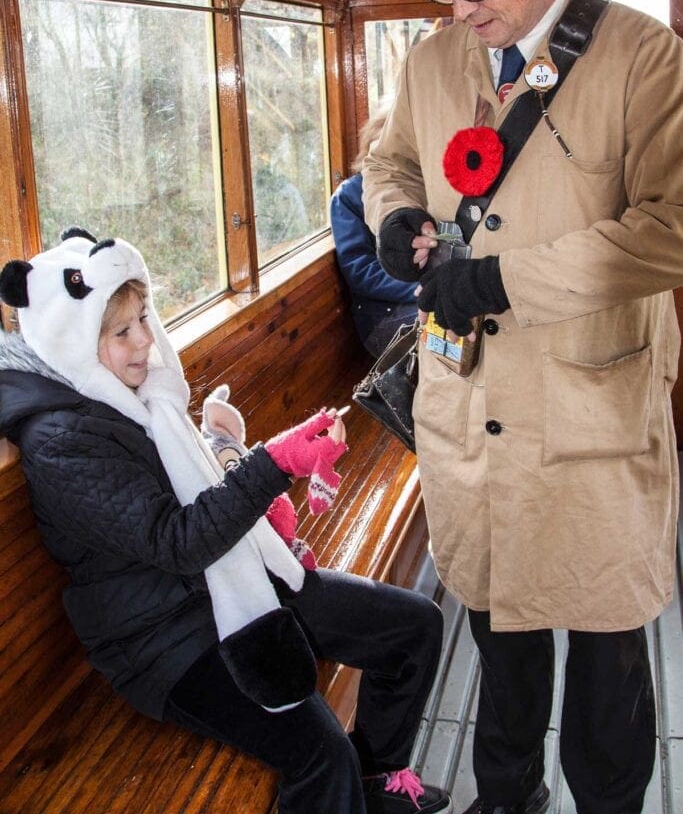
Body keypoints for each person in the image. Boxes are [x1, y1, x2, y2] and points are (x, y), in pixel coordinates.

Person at [362, 0, 683, 814]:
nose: (458, 8)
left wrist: (500, 279)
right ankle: (507, 800)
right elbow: (387, 157)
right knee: (498, 644)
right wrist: (392, 214)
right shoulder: (428, 61)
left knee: (603, 664)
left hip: (587, 420)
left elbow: (669, 228)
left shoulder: (643, 55)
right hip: (469, 419)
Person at [0, 228, 452, 814]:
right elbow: (179, 540)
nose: (144, 341)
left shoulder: (137, 393)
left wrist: (240, 455)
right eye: (120, 331)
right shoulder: (64, 440)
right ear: (74, 343)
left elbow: (199, 484)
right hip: (163, 638)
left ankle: (374, 783)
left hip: (232, 579)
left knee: (413, 628)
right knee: (319, 754)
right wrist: (274, 463)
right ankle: (346, 786)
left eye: (143, 317)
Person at [330, 109, 417, 357]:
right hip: (385, 317)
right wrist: (421, 289)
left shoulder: (417, 189)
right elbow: (361, 271)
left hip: (427, 302)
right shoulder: (348, 197)